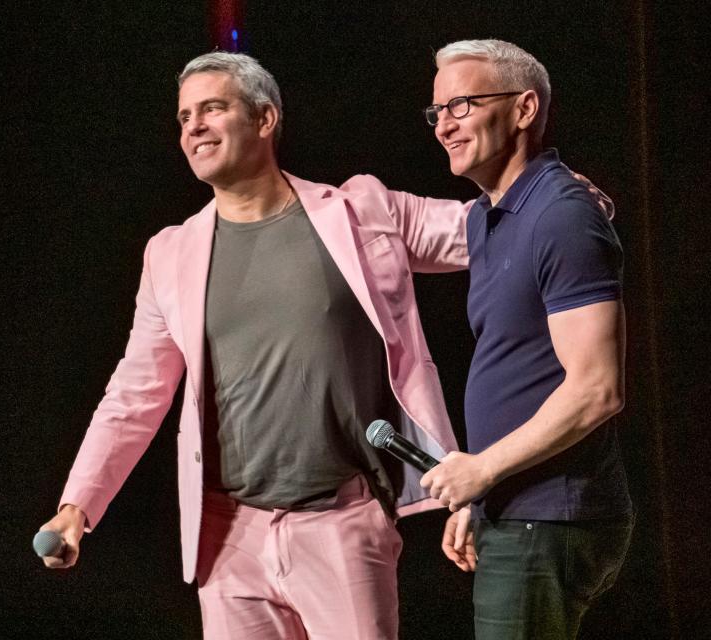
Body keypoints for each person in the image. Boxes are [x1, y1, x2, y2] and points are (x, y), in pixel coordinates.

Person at [38, 51, 471, 639]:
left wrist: (569, 203)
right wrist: (76, 508)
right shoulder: (171, 253)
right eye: (184, 116)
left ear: (264, 119)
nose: (193, 126)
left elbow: (488, 233)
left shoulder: (359, 212)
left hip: (341, 523)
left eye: (212, 109)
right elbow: (134, 393)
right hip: (228, 536)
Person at [418, 39, 634, 639]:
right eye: (438, 112)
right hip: (518, 510)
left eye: (461, 104)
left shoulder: (561, 214)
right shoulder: (489, 217)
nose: (444, 126)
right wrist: (480, 498)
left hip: (552, 516)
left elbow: (598, 390)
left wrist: (483, 471)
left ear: (524, 108)